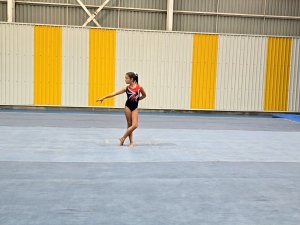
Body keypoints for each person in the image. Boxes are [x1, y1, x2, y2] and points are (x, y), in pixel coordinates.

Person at [96, 72, 146, 148]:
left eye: (126, 78)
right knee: (129, 125)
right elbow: (114, 93)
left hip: (135, 107)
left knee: (135, 125)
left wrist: (138, 99)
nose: (125, 79)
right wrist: (103, 98)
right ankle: (131, 142)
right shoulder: (126, 88)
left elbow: (144, 95)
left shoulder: (139, 87)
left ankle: (123, 138)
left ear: (131, 79)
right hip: (128, 107)